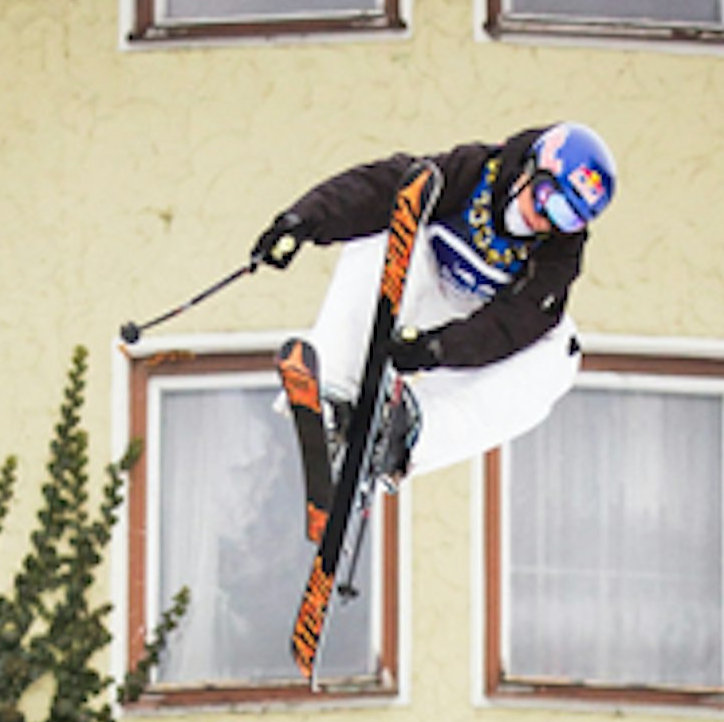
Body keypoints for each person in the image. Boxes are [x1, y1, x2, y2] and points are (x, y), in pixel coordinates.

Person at [250, 122, 617, 486]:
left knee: (562, 350)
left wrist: (437, 348)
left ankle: (406, 434)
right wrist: (303, 221)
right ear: (529, 168)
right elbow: (381, 186)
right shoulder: (474, 173)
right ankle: (334, 394)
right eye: (545, 198)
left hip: (472, 329)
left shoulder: (559, 257)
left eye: (566, 218)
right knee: (383, 227)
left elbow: (512, 325)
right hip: (416, 284)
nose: (546, 219)